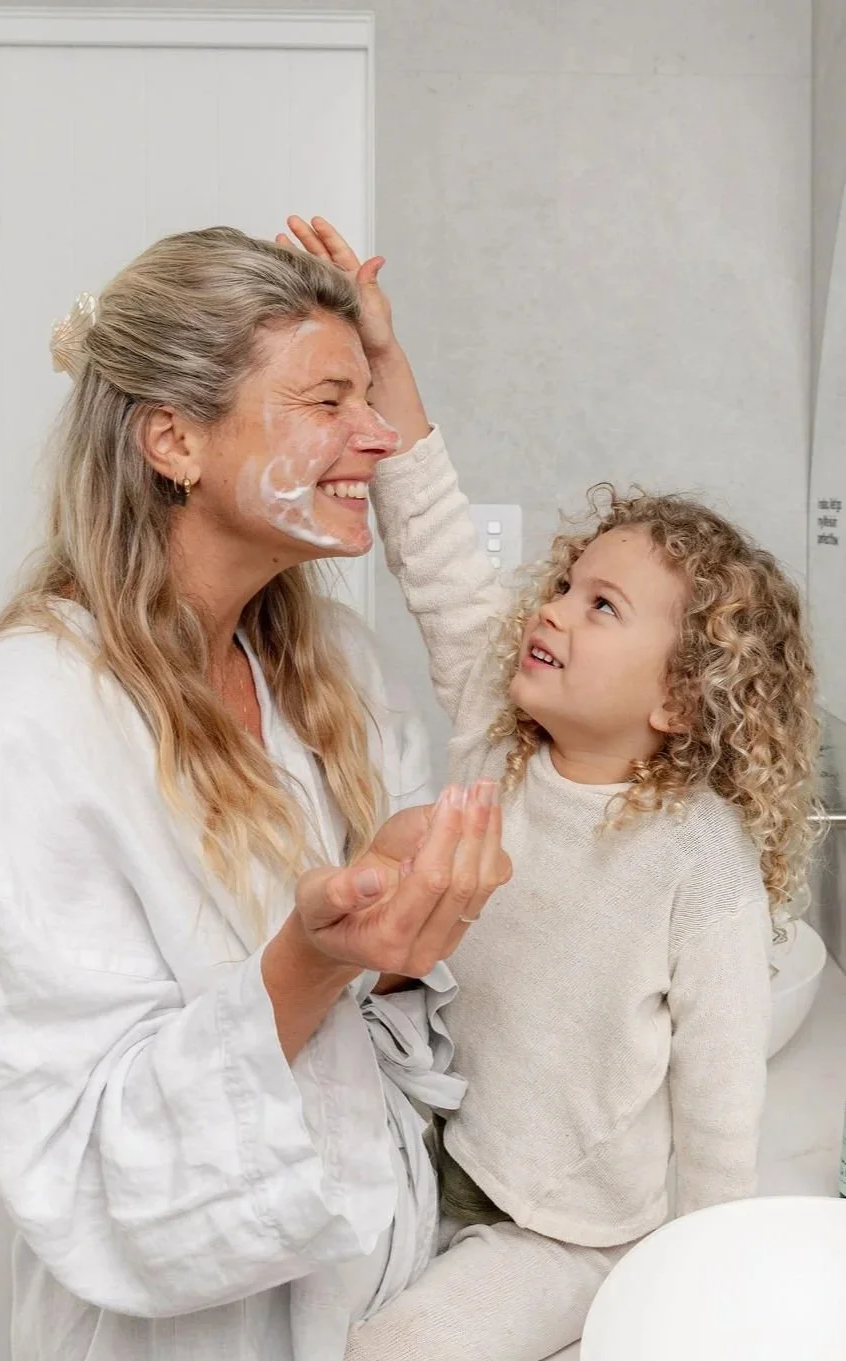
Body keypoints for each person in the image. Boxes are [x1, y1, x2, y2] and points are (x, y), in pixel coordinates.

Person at [0, 227, 512, 1361]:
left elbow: (396, 1018)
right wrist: (308, 962)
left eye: (371, 397)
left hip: (379, 1290)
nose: (376, 435)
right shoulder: (29, 712)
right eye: (326, 400)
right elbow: (81, 1147)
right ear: (175, 440)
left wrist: (399, 930)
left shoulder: (329, 665)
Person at [279, 218, 821, 1361]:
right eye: (566, 584)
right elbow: (428, 536)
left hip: (568, 1230)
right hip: (432, 1148)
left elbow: (719, 1107)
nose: (554, 609)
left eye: (601, 607)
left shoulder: (696, 853)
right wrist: (383, 356)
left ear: (678, 699)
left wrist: (700, 1287)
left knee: (394, 1353)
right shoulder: (502, 734)